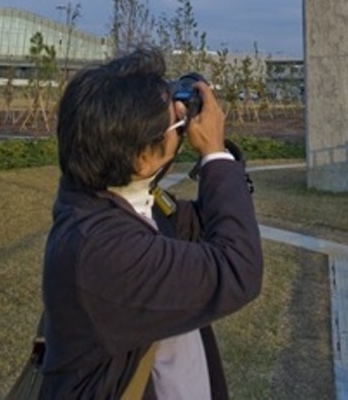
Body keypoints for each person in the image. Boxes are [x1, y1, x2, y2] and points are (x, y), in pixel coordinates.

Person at [40, 47, 263, 399]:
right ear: (142, 158)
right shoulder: (102, 249)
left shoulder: (121, 196)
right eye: (175, 123)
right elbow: (238, 269)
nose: (183, 121)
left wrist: (221, 157)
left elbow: (208, 226)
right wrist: (213, 153)